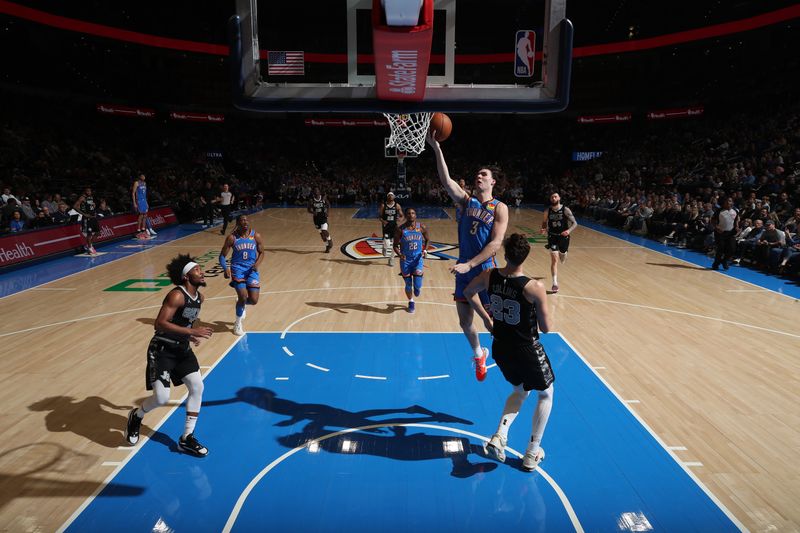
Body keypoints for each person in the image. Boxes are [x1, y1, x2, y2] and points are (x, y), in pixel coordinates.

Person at [463, 234, 555, 472]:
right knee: (545, 394)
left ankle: (499, 435)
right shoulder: (534, 287)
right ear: (526, 256)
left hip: (501, 346)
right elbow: (546, 328)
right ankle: (532, 452)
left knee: (520, 390)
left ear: (505, 254)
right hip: (525, 348)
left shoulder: (490, 275)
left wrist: (486, 318)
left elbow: (468, 291)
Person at [427, 132, 509, 382]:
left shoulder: (500, 207)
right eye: (478, 174)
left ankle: (512, 356)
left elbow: (495, 243)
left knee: (494, 324)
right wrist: (436, 148)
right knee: (465, 322)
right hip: (465, 270)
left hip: (485, 271)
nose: (479, 176)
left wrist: (470, 264)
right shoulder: (466, 202)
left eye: (484, 174)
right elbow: (446, 181)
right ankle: (478, 355)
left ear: (493, 182)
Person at [125, 254, 213, 457]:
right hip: (162, 350)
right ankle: (136, 416)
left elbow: (185, 322)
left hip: (182, 350)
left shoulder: (200, 297)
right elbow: (160, 323)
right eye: (197, 269)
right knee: (162, 398)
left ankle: (186, 438)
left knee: (198, 387)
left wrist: (190, 335)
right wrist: (191, 332)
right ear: (186, 276)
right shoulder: (176, 295)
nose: (201, 272)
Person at [219, 214, 265, 336]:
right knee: (243, 296)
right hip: (237, 269)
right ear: (238, 223)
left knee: (254, 300)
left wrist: (257, 264)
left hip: (251, 270)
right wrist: (225, 268)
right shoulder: (232, 238)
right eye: (242, 220)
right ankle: (238, 324)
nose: (245, 222)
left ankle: (241, 302)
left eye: (246, 220)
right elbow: (222, 256)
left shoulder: (256, 236)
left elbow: (262, 253)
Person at [393, 207, 429, 313]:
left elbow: (428, 240)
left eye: (413, 213)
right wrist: (400, 255)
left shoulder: (421, 227)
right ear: (406, 215)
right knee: (408, 284)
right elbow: (395, 245)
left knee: (417, 286)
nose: (411, 215)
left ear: (415, 215)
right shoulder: (400, 229)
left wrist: (425, 251)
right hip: (406, 260)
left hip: (417, 259)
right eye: (408, 213)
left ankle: (417, 288)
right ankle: (411, 301)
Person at [540, 192, 577, 293]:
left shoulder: (565, 209)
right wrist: (543, 228)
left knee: (562, 254)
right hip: (552, 237)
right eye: (552, 197)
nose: (553, 198)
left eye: (555, 196)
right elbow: (544, 222)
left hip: (563, 237)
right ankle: (555, 283)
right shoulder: (547, 211)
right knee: (554, 260)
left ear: (559, 198)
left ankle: (564, 253)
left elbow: (575, 223)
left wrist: (568, 231)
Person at [711, 197, 739, 270]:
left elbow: (736, 220)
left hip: (730, 233)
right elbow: (713, 220)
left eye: (730, 201)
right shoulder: (719, 211)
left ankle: (724, 261)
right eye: (726, 201)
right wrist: (717, 228)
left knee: (732, 249)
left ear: (732, 203)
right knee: (721, 249)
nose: (728, 202)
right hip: (720, 233)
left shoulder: (735, 211)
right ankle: (716, 264)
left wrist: (736, 226)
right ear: (724, 203)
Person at [379, 192, 403, 266]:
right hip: (386, 226)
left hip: (394, 226)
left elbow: (402, 215)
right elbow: (379, 217)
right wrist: (383, 221)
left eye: (392, 195)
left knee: (395, 244)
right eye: (389, 195)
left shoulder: (397, 205)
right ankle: (384, 247)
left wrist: (400, 220)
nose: (390, 196)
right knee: (387, 243)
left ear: (394, 197)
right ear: (387, 196)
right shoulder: (383, 205)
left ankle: (391, 259)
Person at [74, 187, 99, 255]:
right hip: (87, 218)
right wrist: (84, 214)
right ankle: (90, 247)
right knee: (89, 234)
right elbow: (75, 206)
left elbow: (91, 206)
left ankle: (88, 245)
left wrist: (94, 206)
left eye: (90, 191)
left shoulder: (90, 197)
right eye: (87, 191)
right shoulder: (82, 198)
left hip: (93, 217)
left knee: (97, 233)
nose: (89, 192)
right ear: (85, 192)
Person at [308, 187, 333, 253]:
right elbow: (308, 209)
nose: (316, 192)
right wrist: (312, 212)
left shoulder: (323, 198)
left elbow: (328, 205)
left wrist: (327, 212)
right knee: (322, 235)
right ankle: (327, 246)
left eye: (317, 190)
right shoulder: (311, 200)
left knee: (324, 230)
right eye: (315, 191)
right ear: (313, 192)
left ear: (319, 192)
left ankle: (330, 242)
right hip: (316, 219)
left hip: (323, 217)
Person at [132, 173, 155, 239]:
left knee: (145, 215)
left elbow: (145, 194)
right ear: (140, 177)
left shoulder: (144, 183)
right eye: (143, 176)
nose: (144, 176)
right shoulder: (136, 183)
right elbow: (133, 193)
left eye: (144, 176)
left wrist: (146, 202)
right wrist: (134, 203)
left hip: (144, 200)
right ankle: (138, 231)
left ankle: (143, 230)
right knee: (141, 215)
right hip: (139, 200)